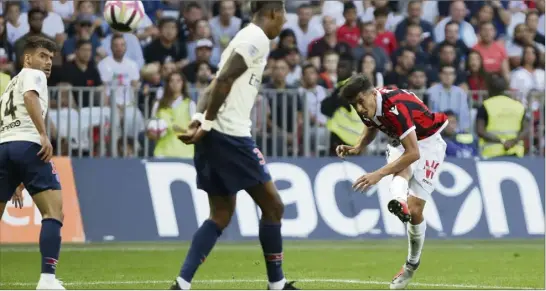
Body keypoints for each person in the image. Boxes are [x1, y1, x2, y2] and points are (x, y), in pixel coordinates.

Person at [172, 2, 298, 290]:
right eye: (284, 17)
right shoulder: (256, 38)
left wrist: (199, 119)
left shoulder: (243, 37)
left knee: (220, 214)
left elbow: (214, 83)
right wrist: (207, 122)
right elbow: (225, 79)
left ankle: (181, 284)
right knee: (274, 206)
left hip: (215, 132)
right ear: (274, 14)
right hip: (231, 134)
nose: (283, 23)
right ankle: (277, 285)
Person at [336, 74, 449, 290]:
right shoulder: (367, 105)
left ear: (371, 93)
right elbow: (371, 125)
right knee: (402, 174)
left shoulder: (393, 107)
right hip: (402, 142)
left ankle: (411, 264)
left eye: (360, 101)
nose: (359, 109)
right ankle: (400, 202)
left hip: (428, 143)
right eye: (354, 105)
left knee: (416, 211)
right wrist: (357, 146)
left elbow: (414, 152)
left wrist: (377, 174)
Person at [0, 36, 64, 290]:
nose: (47, 62)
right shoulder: (32, 75)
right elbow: (30, 98)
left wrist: (15, 177)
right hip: (28, 145)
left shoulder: (8, 87)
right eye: (42, 56)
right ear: (28, 58)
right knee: (54, 212)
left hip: (4, 147)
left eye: (50, 58)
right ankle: (47, 279)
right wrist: (43, 134)